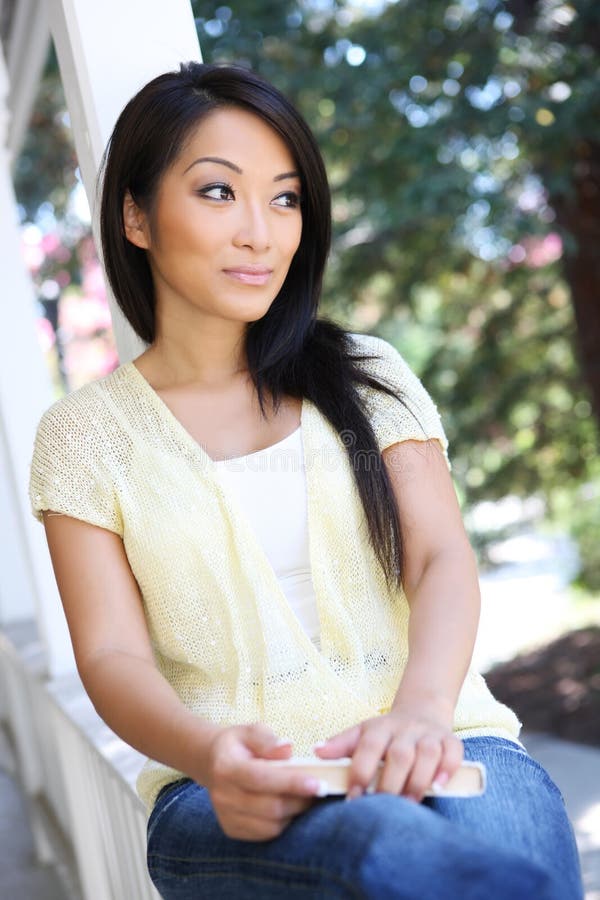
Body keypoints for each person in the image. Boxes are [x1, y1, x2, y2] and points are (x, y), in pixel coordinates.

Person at [29, 62, 583, 899]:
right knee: (376, 843)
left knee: (507, 859)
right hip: (224, 790)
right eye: (219, 192)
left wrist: (422, 716)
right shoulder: (84, 436)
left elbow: (440, 558)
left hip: (451, 741)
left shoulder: (365, 374)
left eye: (285, 198)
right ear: (136, 217)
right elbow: (110, 655)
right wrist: (209, 753)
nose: (261, 232)